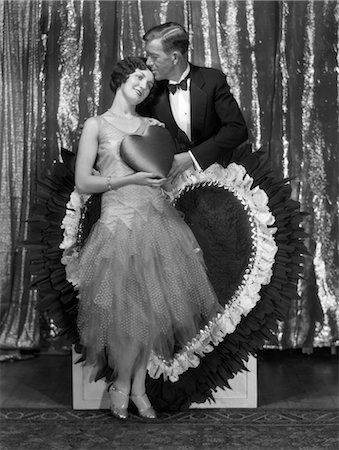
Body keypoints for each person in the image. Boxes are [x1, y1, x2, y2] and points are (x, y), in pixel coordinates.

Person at [74, 56, 223, 420]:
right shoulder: (97, 125)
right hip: (117, 224)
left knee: (151, 314)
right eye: (138, 78)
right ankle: (124, 386)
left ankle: (135, 387)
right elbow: (83, 182)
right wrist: (128, 180)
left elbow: (162, 174)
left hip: (157, 224)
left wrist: (158, 179)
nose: (143, 85)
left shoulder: (153, 126)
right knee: (128, 311)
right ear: (121, 79)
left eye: (148, 83)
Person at [139, 22, 248, 180]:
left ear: (175, 57)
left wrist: (192, 157)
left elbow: (237, 129)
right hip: (169, 183)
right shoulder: (149, 88)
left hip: (217, 178)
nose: (148, 62)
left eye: (154, 56)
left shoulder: (213, 81)